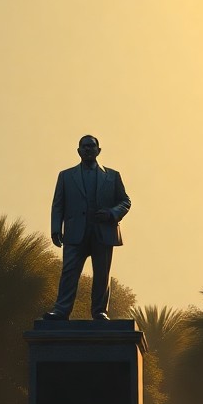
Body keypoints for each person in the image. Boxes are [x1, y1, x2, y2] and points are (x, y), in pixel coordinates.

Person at [43, 134, 131, 321]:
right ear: (78, 151)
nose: (88, 149)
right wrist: (55, 228)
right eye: (84, 146)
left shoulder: (112, 176)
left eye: (91, 146)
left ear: (99, 150)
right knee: (69, 272)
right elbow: (58, 204)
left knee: (102, 274)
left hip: (103, 232)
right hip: (75, 233)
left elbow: (125, 201)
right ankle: (61, 310)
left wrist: (112, 213)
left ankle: (99, 310)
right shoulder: (66, 176)